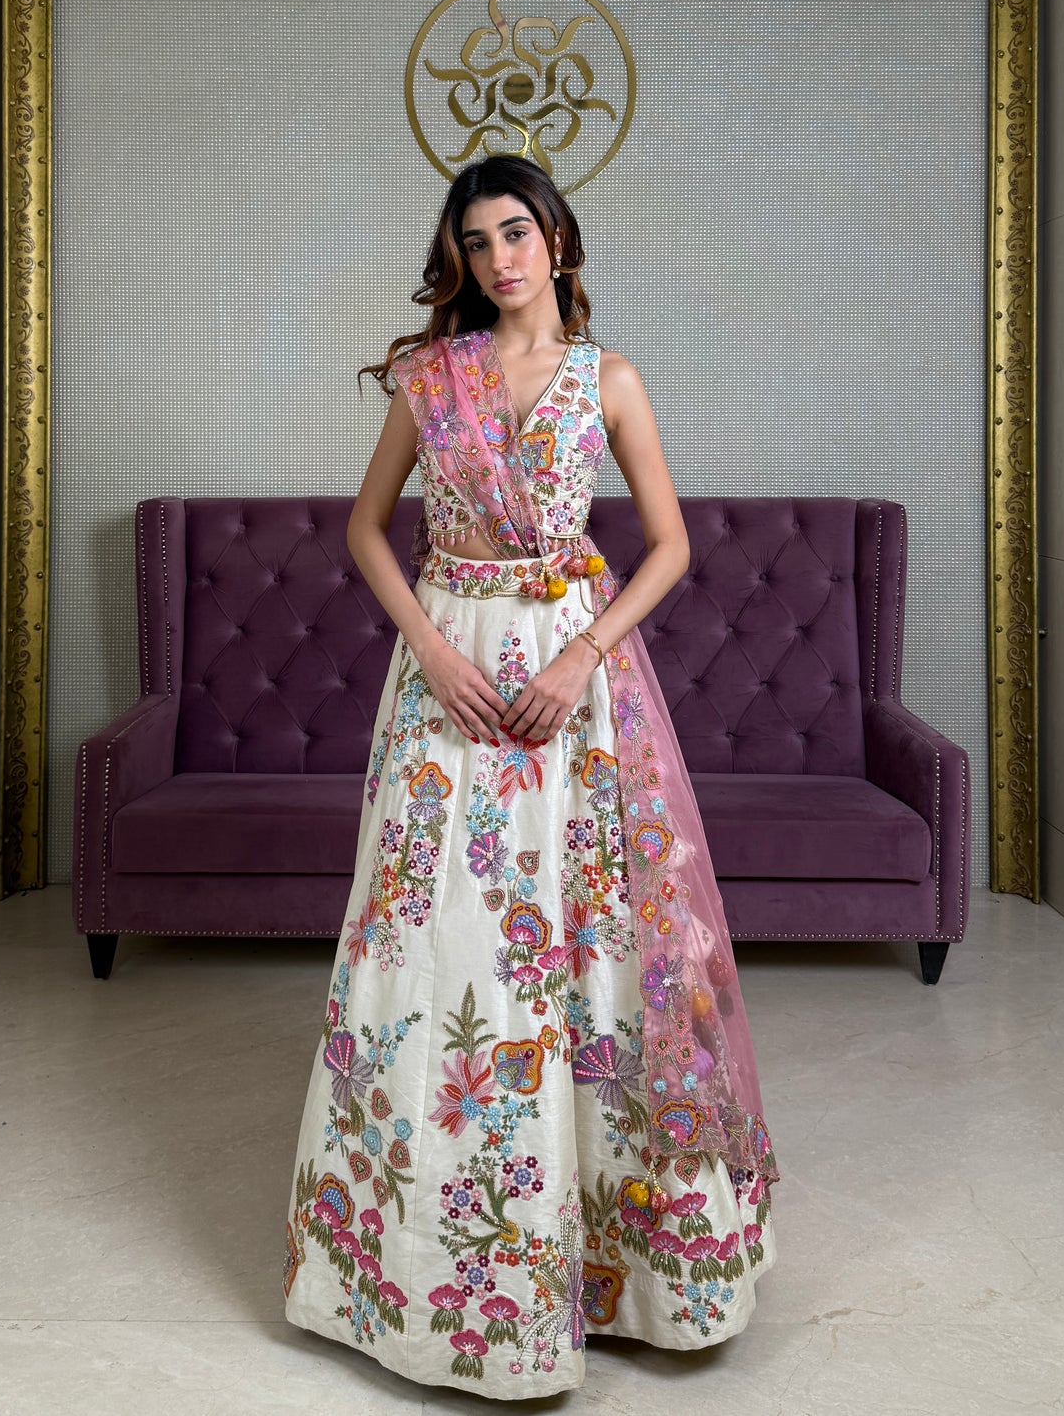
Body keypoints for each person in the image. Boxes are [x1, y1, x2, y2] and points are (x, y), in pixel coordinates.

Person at [282, 154, 778, 1398]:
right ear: (459, 259)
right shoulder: (431, 376)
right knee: (430, 946)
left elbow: (662, 548)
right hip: (447, 685)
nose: (500, 258)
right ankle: (429, 1282)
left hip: (570, 693)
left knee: (588, 950)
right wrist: (432, 646)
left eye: (518, 231)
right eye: (477, 240)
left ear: (556, 238)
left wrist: (579, 656)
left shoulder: (609, 381)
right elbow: (363, 528)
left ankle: (616, 1269)